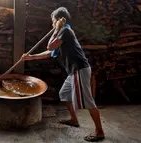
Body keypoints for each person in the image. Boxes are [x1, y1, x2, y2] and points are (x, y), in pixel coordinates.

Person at [22, 7, 105, 142]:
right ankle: (74, 119)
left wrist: (56, 29)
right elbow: (50, 53)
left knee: (88, 101)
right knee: (64, 94)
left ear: (59, 20)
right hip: (73, 71)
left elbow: (50, 47)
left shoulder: (65, 31)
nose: (52, 24)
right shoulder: (62, 33)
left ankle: (99, 131)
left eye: (53, 21)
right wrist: (31, 57)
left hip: (79, 69)